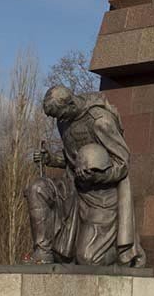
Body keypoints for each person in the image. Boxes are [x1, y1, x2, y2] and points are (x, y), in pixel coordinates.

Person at [25, 85, 145, 267]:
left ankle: (118, 251)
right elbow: (71, 158)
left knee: (88, 259)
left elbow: (122, 164)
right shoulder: (63, 121)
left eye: (60, 114)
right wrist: (51, 158)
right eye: (56, 117)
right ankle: (43, 252)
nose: (59, 120)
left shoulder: (100, 121)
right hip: (72, 188)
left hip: (101, 198)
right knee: (37, 188)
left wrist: (97, 176)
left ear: (71, 104)